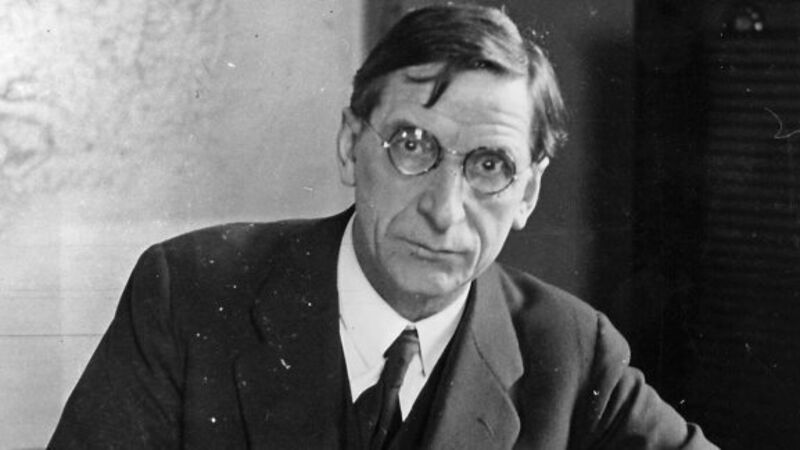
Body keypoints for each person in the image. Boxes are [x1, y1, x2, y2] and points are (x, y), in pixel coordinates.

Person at [49, 5, 716, 449]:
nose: (444, 210)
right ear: (350, 145)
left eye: (489, 165)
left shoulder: (571, 350)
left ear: (528, 192)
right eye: (412, 145)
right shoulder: (190, 294)